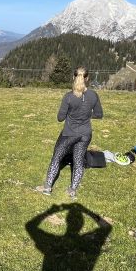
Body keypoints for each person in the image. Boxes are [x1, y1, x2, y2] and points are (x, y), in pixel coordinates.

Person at [35, 67, 103, 199]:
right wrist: (86, 116)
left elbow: (60, 118)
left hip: (69, 133)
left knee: (56, 158)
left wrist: (71, 114)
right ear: (87, 79)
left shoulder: (69, 97)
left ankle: (48, 188)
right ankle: (72, 191)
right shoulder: (94, 95)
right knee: (78, 161)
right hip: (85, 134)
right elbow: (99, 115)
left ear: (73, 78)